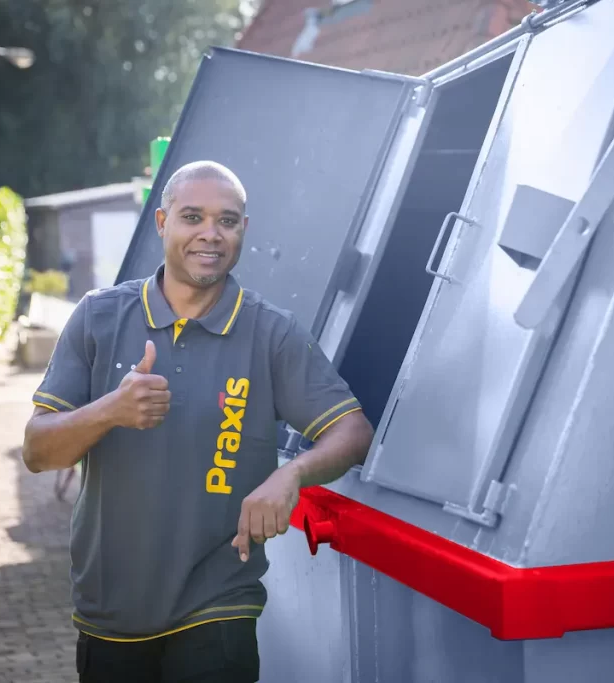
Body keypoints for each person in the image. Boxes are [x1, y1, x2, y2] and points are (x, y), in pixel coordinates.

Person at [21, 160, 374, 683]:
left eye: (227, 221)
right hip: (111, 608)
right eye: (193, 217)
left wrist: (291, 474)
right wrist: (110, 411)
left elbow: (354, 432)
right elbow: (37, 451)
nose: (211, 234)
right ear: (162, 222)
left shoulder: (270, 332)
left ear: (243, 231)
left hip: (219, 603)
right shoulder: (99, 317)